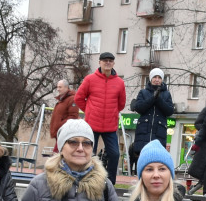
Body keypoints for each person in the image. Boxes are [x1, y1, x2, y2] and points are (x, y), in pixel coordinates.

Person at [74, 52, 126, 186]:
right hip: (92, 125)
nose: (107, 63)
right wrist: (90, 111)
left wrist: (112, 113)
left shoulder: (119, 82)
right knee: (89, 154)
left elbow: (121, 104)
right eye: (104, 60)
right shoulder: (90, 79)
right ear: (99, 62)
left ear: (113, 63)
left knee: (114, 154)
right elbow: (78, 98)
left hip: (110, 126)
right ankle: (86, 180)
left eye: (110, 61)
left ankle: (110, 183)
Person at [130, 68, 174, 159]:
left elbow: (169, 111)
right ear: (150, 79)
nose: (157, 79)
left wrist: (158, 99)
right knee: (142, 158)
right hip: (143, 131)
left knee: (156, 158)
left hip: (159, 131)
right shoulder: (143, 92)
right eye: (154, 77)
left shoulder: (166, 94)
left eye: (159, 77)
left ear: (162, 80)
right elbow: (139, 108)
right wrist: (152, 98)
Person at [49, 78, 79, 152]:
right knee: (58, 155)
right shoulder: (61, 100)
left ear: (66, 87)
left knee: (57, 154)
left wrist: (60, 125)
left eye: (60, 87)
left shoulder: (71, 99)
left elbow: (73, 117)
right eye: (57, 87)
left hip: (64, 132)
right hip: (59, 133)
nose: (58, 89)